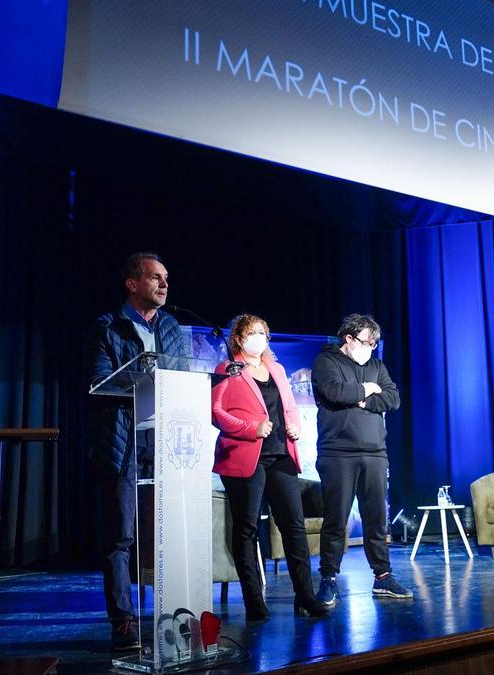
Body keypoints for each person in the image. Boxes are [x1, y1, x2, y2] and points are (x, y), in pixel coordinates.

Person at [83, 252, 189, 651]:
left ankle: (178, 612)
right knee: (120, 535)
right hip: (123, 438)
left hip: (168, 440)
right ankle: (124, 622)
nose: (164, 285)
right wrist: (144, 379)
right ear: (132, 283)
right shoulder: (107, 327)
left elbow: (182, 374)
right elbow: (98, 380)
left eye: (166, 278)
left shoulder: (173, 326)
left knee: (171, 531)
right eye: (155, 278)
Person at [212, 315, 330, 620]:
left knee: (294, 527)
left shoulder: (276, 368)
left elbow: (288, 406)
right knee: (247, 529)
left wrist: (294, 424)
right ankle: (254, 601)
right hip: (244, 458)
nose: (259, 338)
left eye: (263, 333)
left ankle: (304, 595)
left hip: (280, 455)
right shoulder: (227, 369)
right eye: (252, 333)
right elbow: (216, 412)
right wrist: (251, 428)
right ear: (238, 338)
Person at [311, 313, 411, 606]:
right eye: (368, 341)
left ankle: (383, 577)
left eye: (375, 342)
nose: (372, 346)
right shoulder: (326, 362)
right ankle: (328, 578)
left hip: (375, 454)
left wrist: (361, 399)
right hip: (338, 453)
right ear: (349, 338)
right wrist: (367, 389)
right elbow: (334, 391)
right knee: (336, 520)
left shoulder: (376, 366)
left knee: (376, 520)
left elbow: (392, 399)